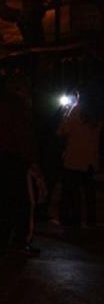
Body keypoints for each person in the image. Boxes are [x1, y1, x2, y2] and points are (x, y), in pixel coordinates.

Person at [0, 77, 40, 256]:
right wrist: (31, 158)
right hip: (16, 158)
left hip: (2, 157)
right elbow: (23, 136)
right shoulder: (18, 108)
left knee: (4, 200)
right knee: (21, 201)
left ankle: (0, 242)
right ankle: (19, 241)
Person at [58, 93, 101, 230]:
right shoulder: (97, 112)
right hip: (90, 159)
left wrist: (64, 114)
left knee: (73, 191)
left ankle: (74, 220)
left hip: (75, 157)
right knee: (89, 192)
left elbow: (63, 130)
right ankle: (91, 220)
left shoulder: (76, 110)